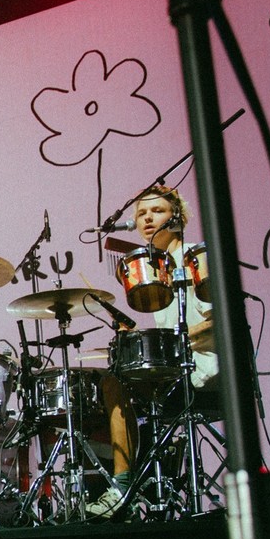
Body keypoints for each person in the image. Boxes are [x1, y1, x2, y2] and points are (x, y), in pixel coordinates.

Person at [89, 185, 217, 518]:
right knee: (111, 381)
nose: (147, 218)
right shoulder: (156, 268)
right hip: (178, 375)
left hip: (213, 372)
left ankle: (124, 486)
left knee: (117, 384)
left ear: (177, 217)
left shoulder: (196, 258)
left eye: (156, 211)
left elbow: (225, 322)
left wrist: (180, 342)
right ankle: (127, 485)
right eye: (141, 213)